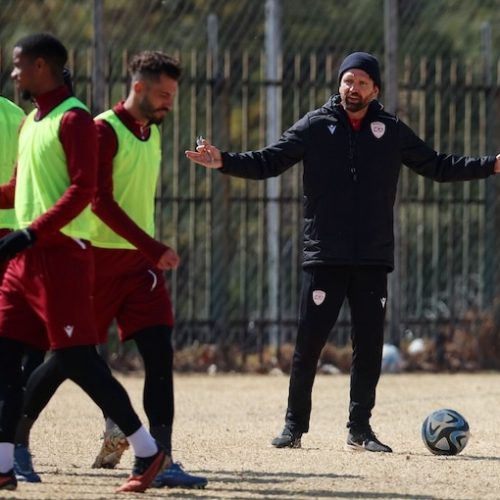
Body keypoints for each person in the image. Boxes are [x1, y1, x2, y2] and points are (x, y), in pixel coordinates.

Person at [186, 51, 500, 453]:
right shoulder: (315, 125)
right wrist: (223, 161)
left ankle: (360, 430)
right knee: (309, 344)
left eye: (362, 82)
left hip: (372, 257)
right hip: (326, 255)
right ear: (340, 84)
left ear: (375, 89)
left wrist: (490, 165)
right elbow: (270, 161)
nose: (353, 88)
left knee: (368, 347)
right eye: (348, 81)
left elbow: (438, 165)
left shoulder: (391, 129)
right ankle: (294, 427)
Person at [12, 50, 207, 489]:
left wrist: (147, 251)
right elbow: (98, 200)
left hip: (140, 268)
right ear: (137, 87)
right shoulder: (102, 129)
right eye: (162, 94)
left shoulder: (151, 131)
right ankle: (17, 441)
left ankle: (161, 458)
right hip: (96, 262)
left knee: (159, 353)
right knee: (67, 358)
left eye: (172, 95)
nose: (168, 103)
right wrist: (153, 246)